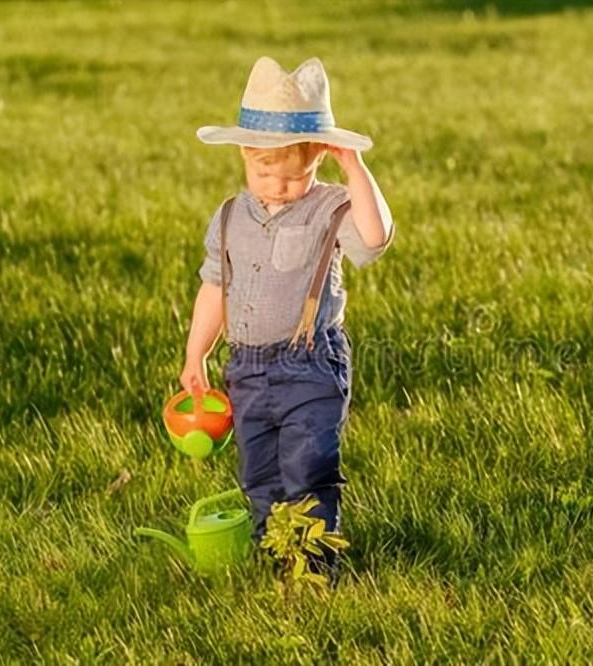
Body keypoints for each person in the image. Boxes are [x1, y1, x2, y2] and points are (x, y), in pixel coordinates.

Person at [179, 56, 395, 583]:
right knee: (260, 473)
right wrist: (196, 351)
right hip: (246, 368)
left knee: (308, 466)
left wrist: (355, 170)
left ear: (319, 158)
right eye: (264, 171)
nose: (278, 185)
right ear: (244, 158)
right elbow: (214, 287)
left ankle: (314, 565)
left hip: (309, 366)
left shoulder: (330, 207)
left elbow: (375, 238)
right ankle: (275, 556)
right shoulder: (230, 215)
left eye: (295, 175)